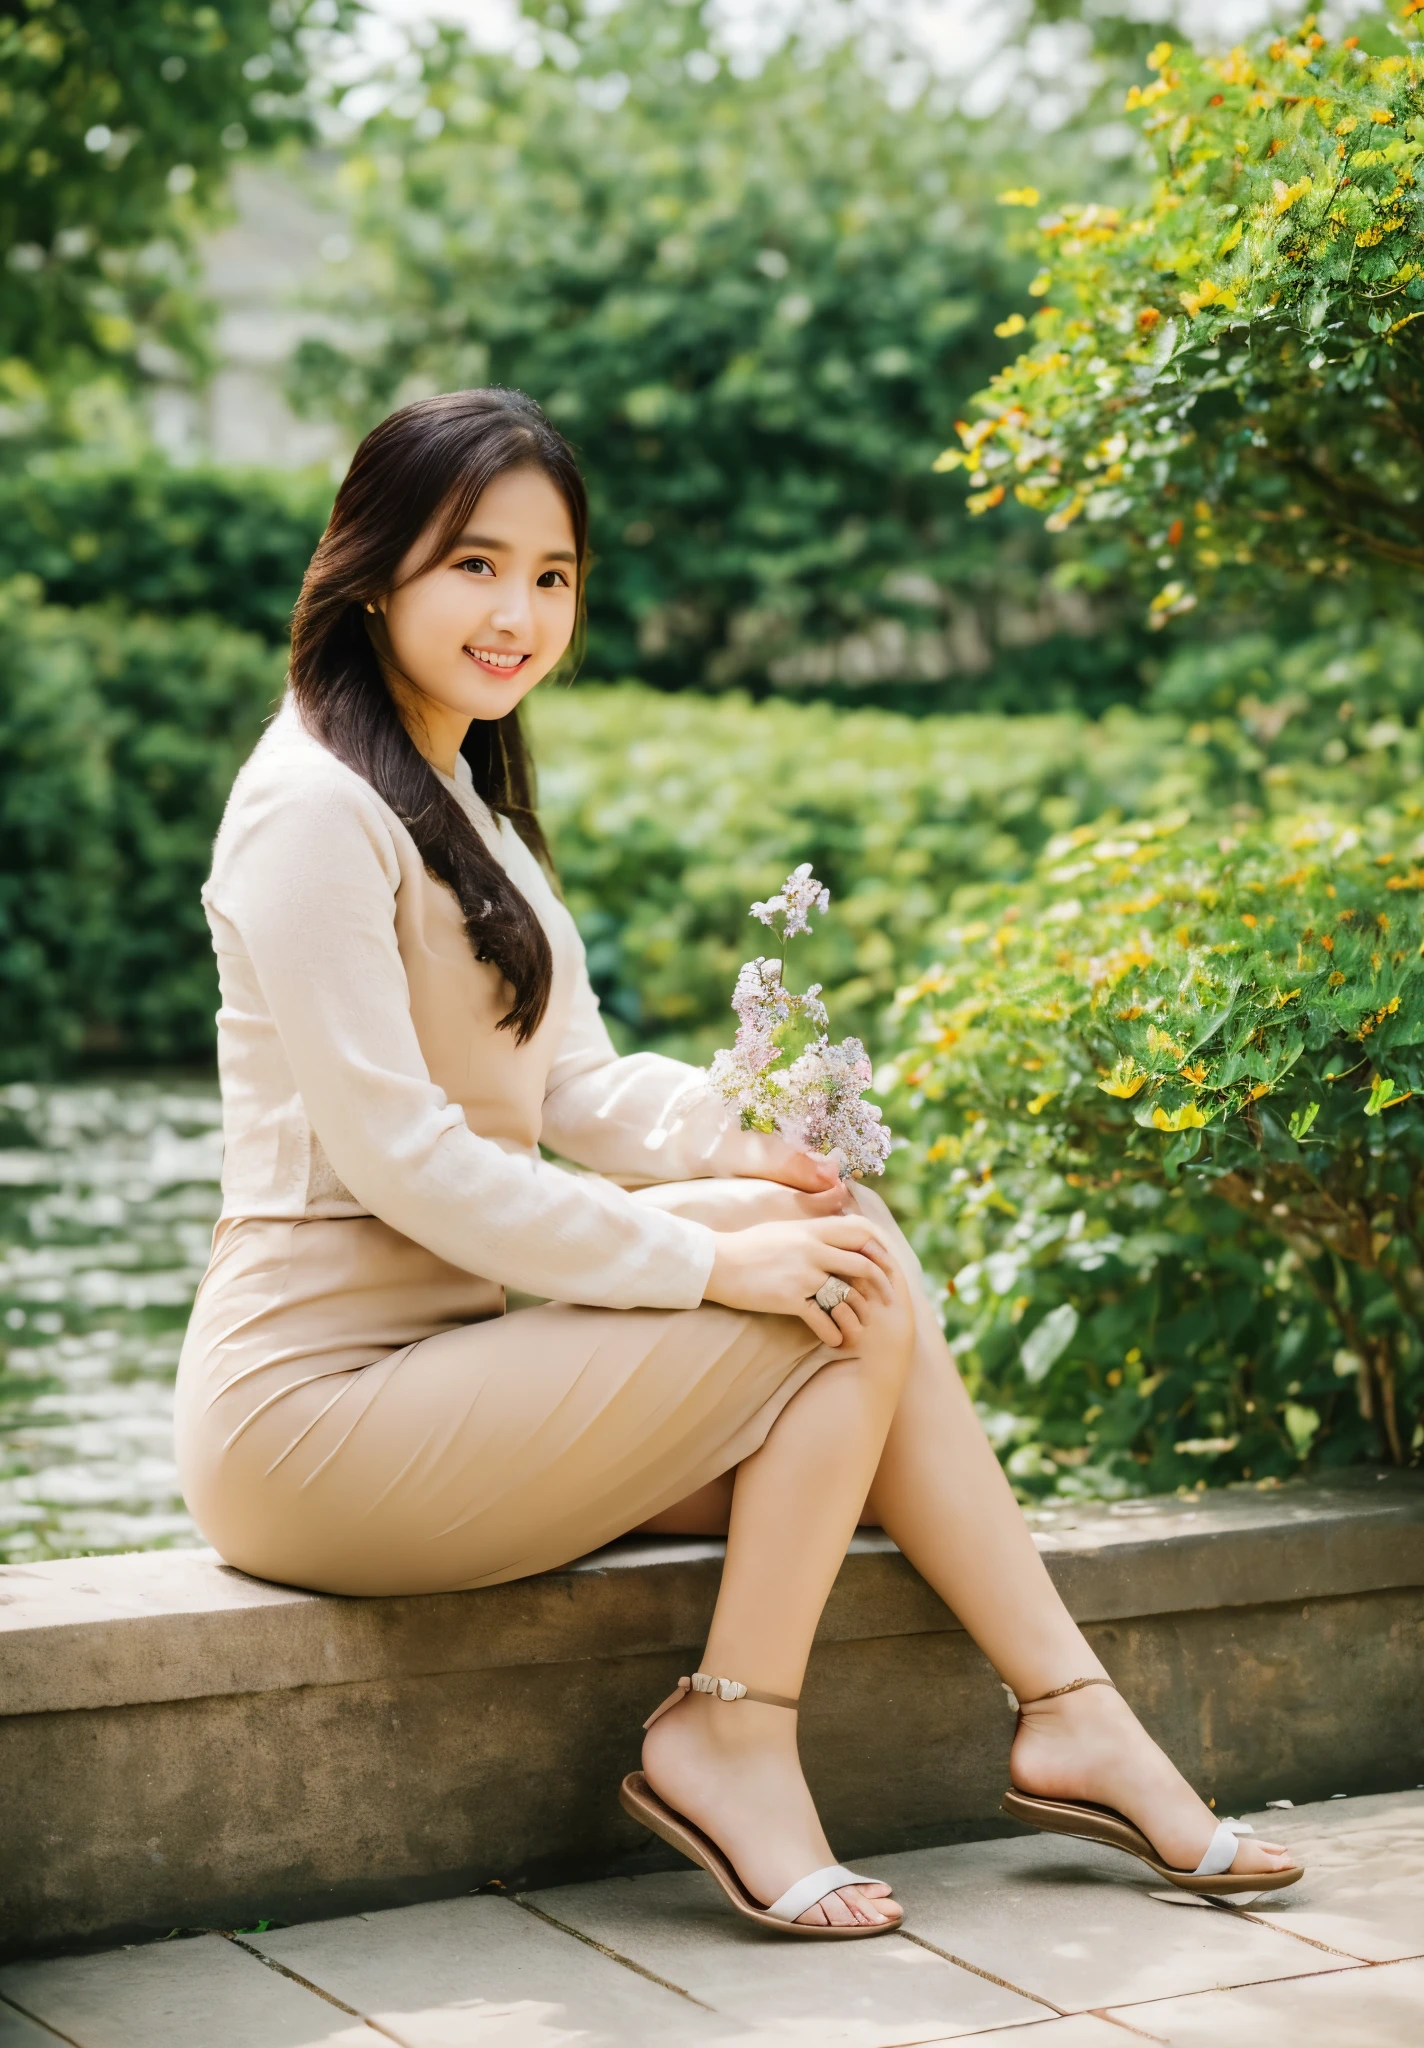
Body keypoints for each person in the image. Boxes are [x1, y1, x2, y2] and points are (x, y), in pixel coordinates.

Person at [174, 387, 1299, 1939]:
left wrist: (742, 1141)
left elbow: (568, 1082)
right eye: (475, 566)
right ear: (372, 568)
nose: (519, 614)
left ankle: (1046, 1713)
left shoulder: (461, 801)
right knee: (819, 1282)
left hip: (444, 1365)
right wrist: (712, 1259)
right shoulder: (310, 805)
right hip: (310, 1421)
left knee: (842, 1245)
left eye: (553, 575)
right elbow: (409, 1163)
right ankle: (788, 1729)